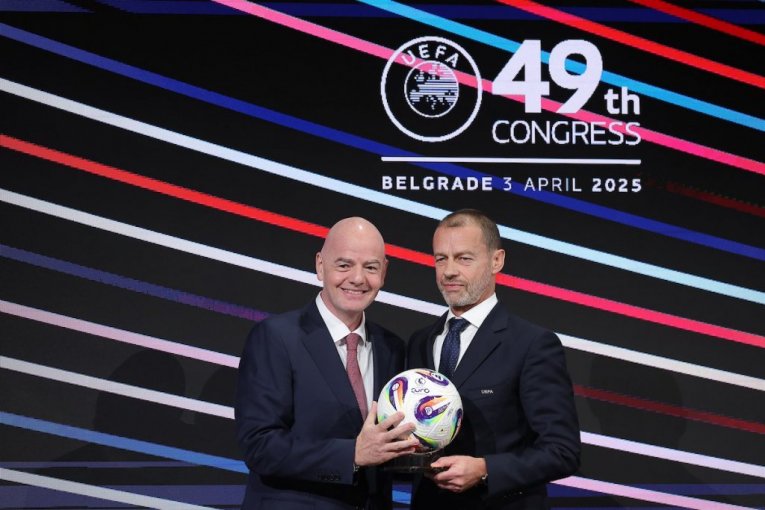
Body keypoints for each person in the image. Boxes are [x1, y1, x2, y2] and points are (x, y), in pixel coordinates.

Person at [236, 217, 420, 510]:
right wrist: (352, 455)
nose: (358, 278)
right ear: (320, 265)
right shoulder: (276, 337)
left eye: (371, 267)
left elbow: (384, 451)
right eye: (344, 265)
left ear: (384, 272)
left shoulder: (392, 347)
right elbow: (260, 445)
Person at [407, 209, 581, 509]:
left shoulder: (532, 344)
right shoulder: (420, 342)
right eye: (441, 259)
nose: (449, 271)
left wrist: (485, 469)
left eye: (464, 258)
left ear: (496, 261)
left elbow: (562, 451)